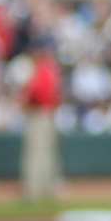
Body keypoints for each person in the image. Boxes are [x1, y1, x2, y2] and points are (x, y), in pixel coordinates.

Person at [20, 47, 64, 202]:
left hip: (39, 114)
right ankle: (48, 190)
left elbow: (36, 93)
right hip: (49, 114)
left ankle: (33, 191)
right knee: (48, 154)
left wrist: (25, 102)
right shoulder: (51, 70)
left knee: (36, 154)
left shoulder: (41, 70)